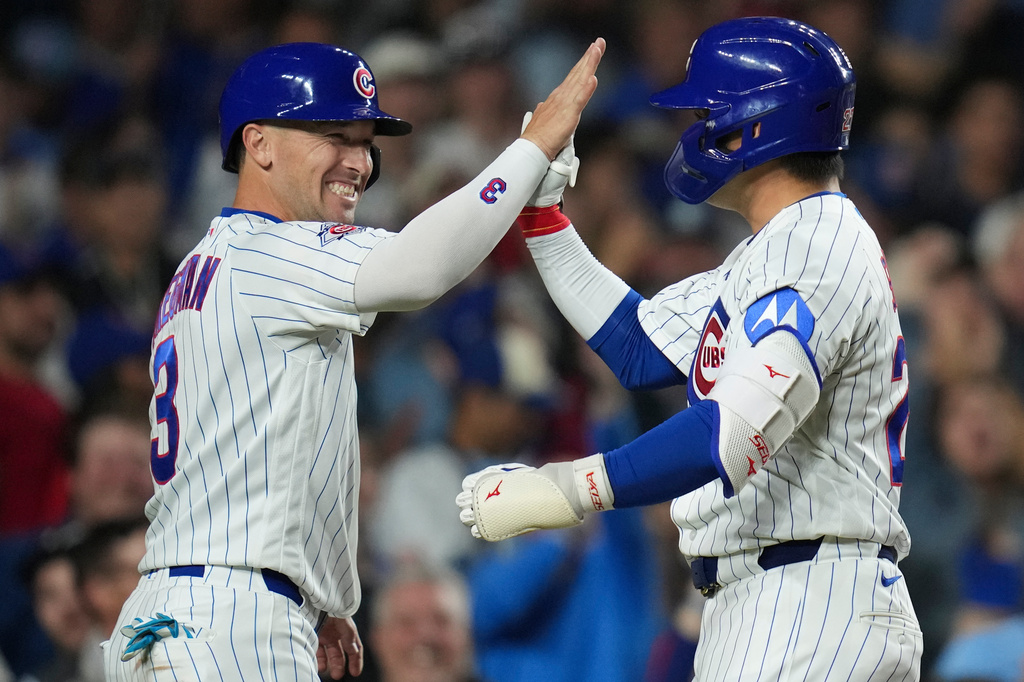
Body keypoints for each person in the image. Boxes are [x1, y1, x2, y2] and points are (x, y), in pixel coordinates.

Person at [102, 38, 605, 680]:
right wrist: (532, 148)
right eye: (334, 136)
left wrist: (328, 597)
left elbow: (281, 440)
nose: (359, 162)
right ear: (258, 145)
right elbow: (422, 268)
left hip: (184, 606)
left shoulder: (208, 265)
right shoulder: (272, 253)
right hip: (232, 618)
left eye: (366, 142)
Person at [457, 17, 924, 680]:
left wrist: (570, 487)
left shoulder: (810, 251)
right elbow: (637, 346)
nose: (695, 129)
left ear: (759, 124)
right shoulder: (777, 250)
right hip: (773, 596)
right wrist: (543, 214)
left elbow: (731, 432)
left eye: (709, 112)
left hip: (809, 599)